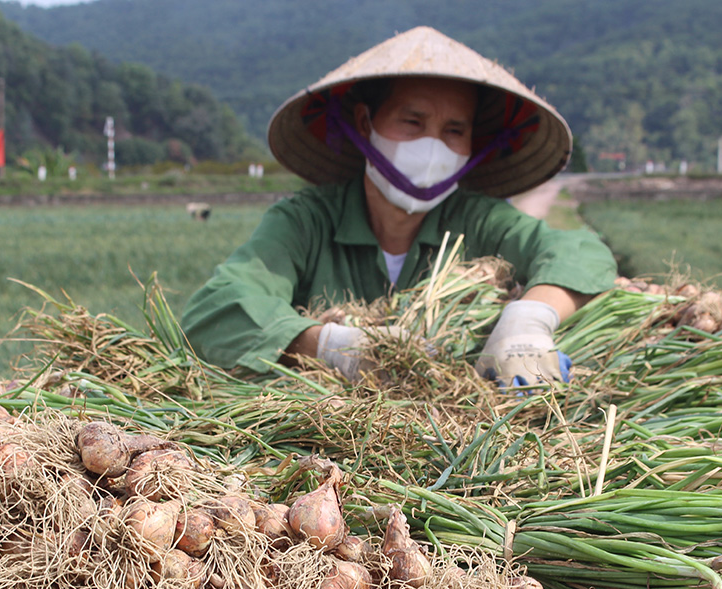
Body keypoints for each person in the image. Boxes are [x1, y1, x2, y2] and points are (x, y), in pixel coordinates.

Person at [181, 27, 616, 387]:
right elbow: (219, 308)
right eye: (413, 122)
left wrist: (527, 318)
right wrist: (331, 347)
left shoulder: (478, 220)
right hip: (330, 436)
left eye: (453, 130)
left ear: (471, 145)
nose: (433, 145)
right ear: (366, 124)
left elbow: (580, 253)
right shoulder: (306, 221)